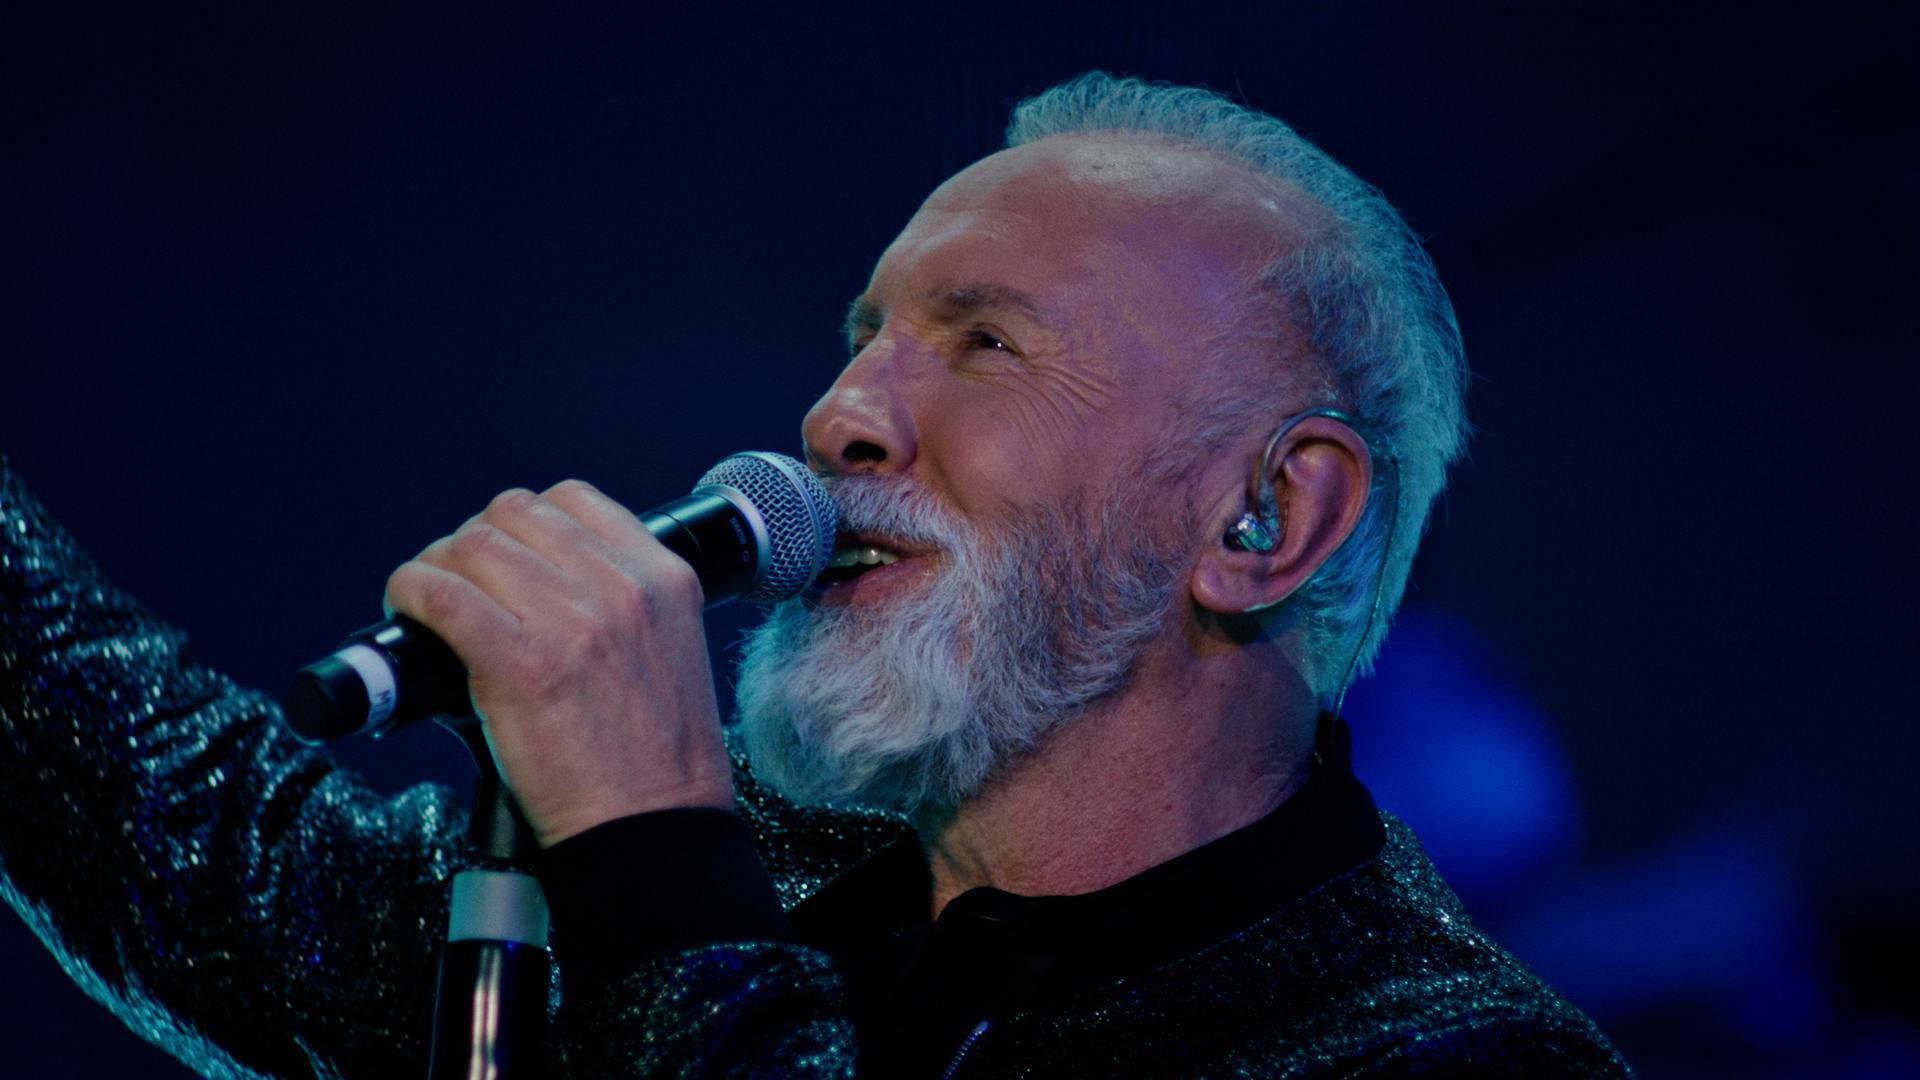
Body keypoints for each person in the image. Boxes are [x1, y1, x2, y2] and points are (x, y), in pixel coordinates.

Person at [0, 73, 1628, 1076]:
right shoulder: (789, 875)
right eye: (864, 340)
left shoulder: (1450, 1058)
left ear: (1265, 517)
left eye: (984, 345)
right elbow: (179, 839)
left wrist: (656, 863)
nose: (839, 415)